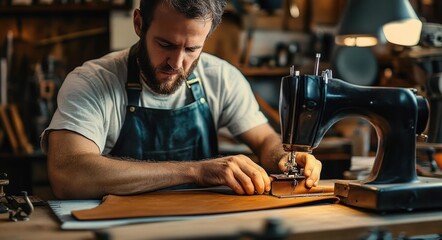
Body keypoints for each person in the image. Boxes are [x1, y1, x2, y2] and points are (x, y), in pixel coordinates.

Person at [41, 0, 322, 199]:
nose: (176, 63)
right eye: (166, 44)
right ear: (139, 24)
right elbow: (68, 173)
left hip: (201, 224)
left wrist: (285, 157)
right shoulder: (93, 81)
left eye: (191, 49)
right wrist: (196, 171)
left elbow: (264, 140)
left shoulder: (221, 77)